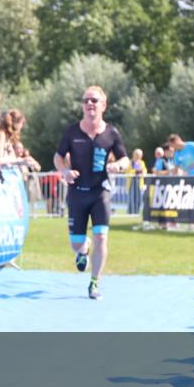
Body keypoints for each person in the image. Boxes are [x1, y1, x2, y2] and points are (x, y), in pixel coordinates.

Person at [53, 85, 129, 300]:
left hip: (100, 193)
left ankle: (94, 283)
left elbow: (124, 157)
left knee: (101, 237)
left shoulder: (111, 133)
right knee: (76, 243)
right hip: (77, 193)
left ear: (103, 105)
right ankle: (83, 249)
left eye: (94, 100)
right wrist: (64, 171)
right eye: (86, 100)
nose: (89, 104)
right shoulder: (72, 131)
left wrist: (119, 166)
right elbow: (58, 157)